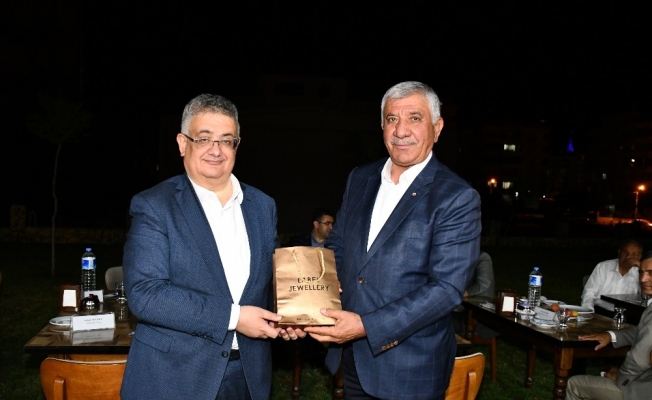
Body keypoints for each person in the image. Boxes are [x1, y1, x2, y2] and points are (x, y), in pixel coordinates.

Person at [305, 81, 482, 400]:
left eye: (414, 118)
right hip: (351, 357)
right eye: (391, 119)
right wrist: (327, 285)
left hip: (409, 368)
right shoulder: (361, 177)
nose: (401, 131)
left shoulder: (456, 197)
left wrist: (365, 326)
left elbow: (446, 289)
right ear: (382, 126)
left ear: (437, 127)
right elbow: (338, 245)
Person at [120, 94, 302, 400]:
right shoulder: (154, 205)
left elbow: (270, 283)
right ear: (182, 143)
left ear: (237, 146)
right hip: (175, 378)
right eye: (204, 138)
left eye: (226, 140)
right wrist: (235, 318)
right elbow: (146, 294)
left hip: (248, 376)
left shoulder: (261, 206)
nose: (216, 150)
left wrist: (292, 312)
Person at [565, 250, 652, 400]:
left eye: (651, 273)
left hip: (643, 390)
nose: (643, 279)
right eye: (641, 272)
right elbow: (642, 331)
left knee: (574, 384)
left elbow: (639, 359)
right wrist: (611, 335)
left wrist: (621, 377)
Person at [582, 239, 642, 314]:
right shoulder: (603, 267)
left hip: (628, 314)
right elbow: (589, 293)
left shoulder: (640, 272)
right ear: (619, 252)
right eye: (625, 252)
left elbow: (647, 297)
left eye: (634, 254)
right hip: (601, 311)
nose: (628, 257)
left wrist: (642, 268)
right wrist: (589, 312)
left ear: (639, 257)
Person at [453, 251, 497, 340]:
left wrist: (466, 292)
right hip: (456, 310)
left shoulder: (482, 257)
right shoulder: (454, 259)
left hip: (477, 317)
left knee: (436, 322)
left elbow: (483, 284)